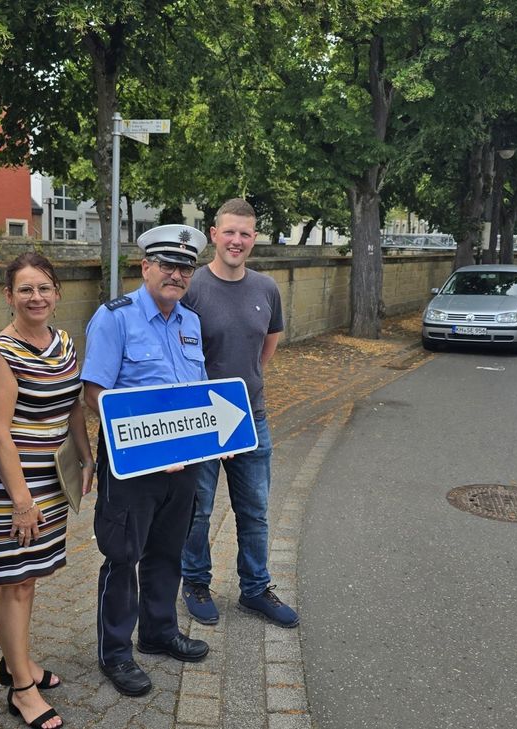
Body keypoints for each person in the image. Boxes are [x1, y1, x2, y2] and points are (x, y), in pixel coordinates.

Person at [81, 223, 210, 697]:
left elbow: (197, 393)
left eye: (185, 267)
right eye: (168, 265)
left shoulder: (190, 322)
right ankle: (116, 652)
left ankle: (158, 632)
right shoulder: (114, 318)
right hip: (133, 465)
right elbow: (94, 392)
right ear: (146, 267)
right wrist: (151, 444)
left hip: (185, 463)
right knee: (122, 556)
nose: (176, 274)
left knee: (167, 551)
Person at [0, 252, 95, 729]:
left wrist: (87, 458)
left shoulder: (64, 342)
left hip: (53, 479)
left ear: (57, 293)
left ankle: (16, 661)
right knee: (16, 583)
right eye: (25, 289)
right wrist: (22, 502)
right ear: (8, 296)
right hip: (15, 486)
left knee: (32, 577)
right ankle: (21, 690)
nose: (36, 297)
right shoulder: (0, 353)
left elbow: (73, 409)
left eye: (44, 288)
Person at [180, 199, 299, 630]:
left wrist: (241, 390)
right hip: (201, 420)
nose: (237, 241)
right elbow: (180, 357)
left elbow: (268, 343)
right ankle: (194, 581)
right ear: (214, 234)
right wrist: (212, 412)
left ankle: (255, 589)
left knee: (255, 510)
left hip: (252, 418)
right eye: (229, 232)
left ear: (254, 239)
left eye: (245, 234)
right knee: (198, 510)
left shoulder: (266, 288)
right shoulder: (191, 288)